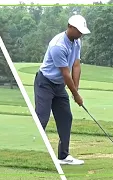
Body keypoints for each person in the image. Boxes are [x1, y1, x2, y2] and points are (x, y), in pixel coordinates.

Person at [34, 14, 90, 165]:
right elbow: (65, 73)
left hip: (59, 86)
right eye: (79, 31)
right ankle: (32, 150)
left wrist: (76, 89)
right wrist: (76, 95)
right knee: (41, 118)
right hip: (45, 83)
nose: (81, 34)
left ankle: (63, 156)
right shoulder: (58, 45)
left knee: (66, 117)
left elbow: (76, 65)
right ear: (70, 27)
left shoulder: (77, 42)